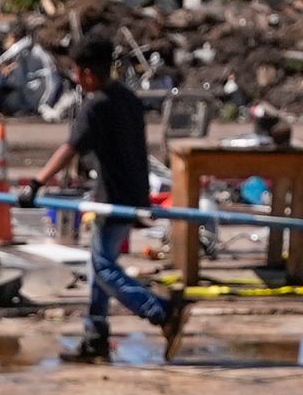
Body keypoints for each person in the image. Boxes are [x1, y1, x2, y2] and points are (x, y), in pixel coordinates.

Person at [27, 31, 187, 363]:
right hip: (131, 194)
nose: (74, 79)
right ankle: (95, 339)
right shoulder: (127, 98)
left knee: (102, 268)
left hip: (113, 198)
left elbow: (69, 149)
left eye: (75, 72)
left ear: (86, 72)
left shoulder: (95, 105)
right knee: (98, 265)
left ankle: (160, 311)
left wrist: (35, 184)